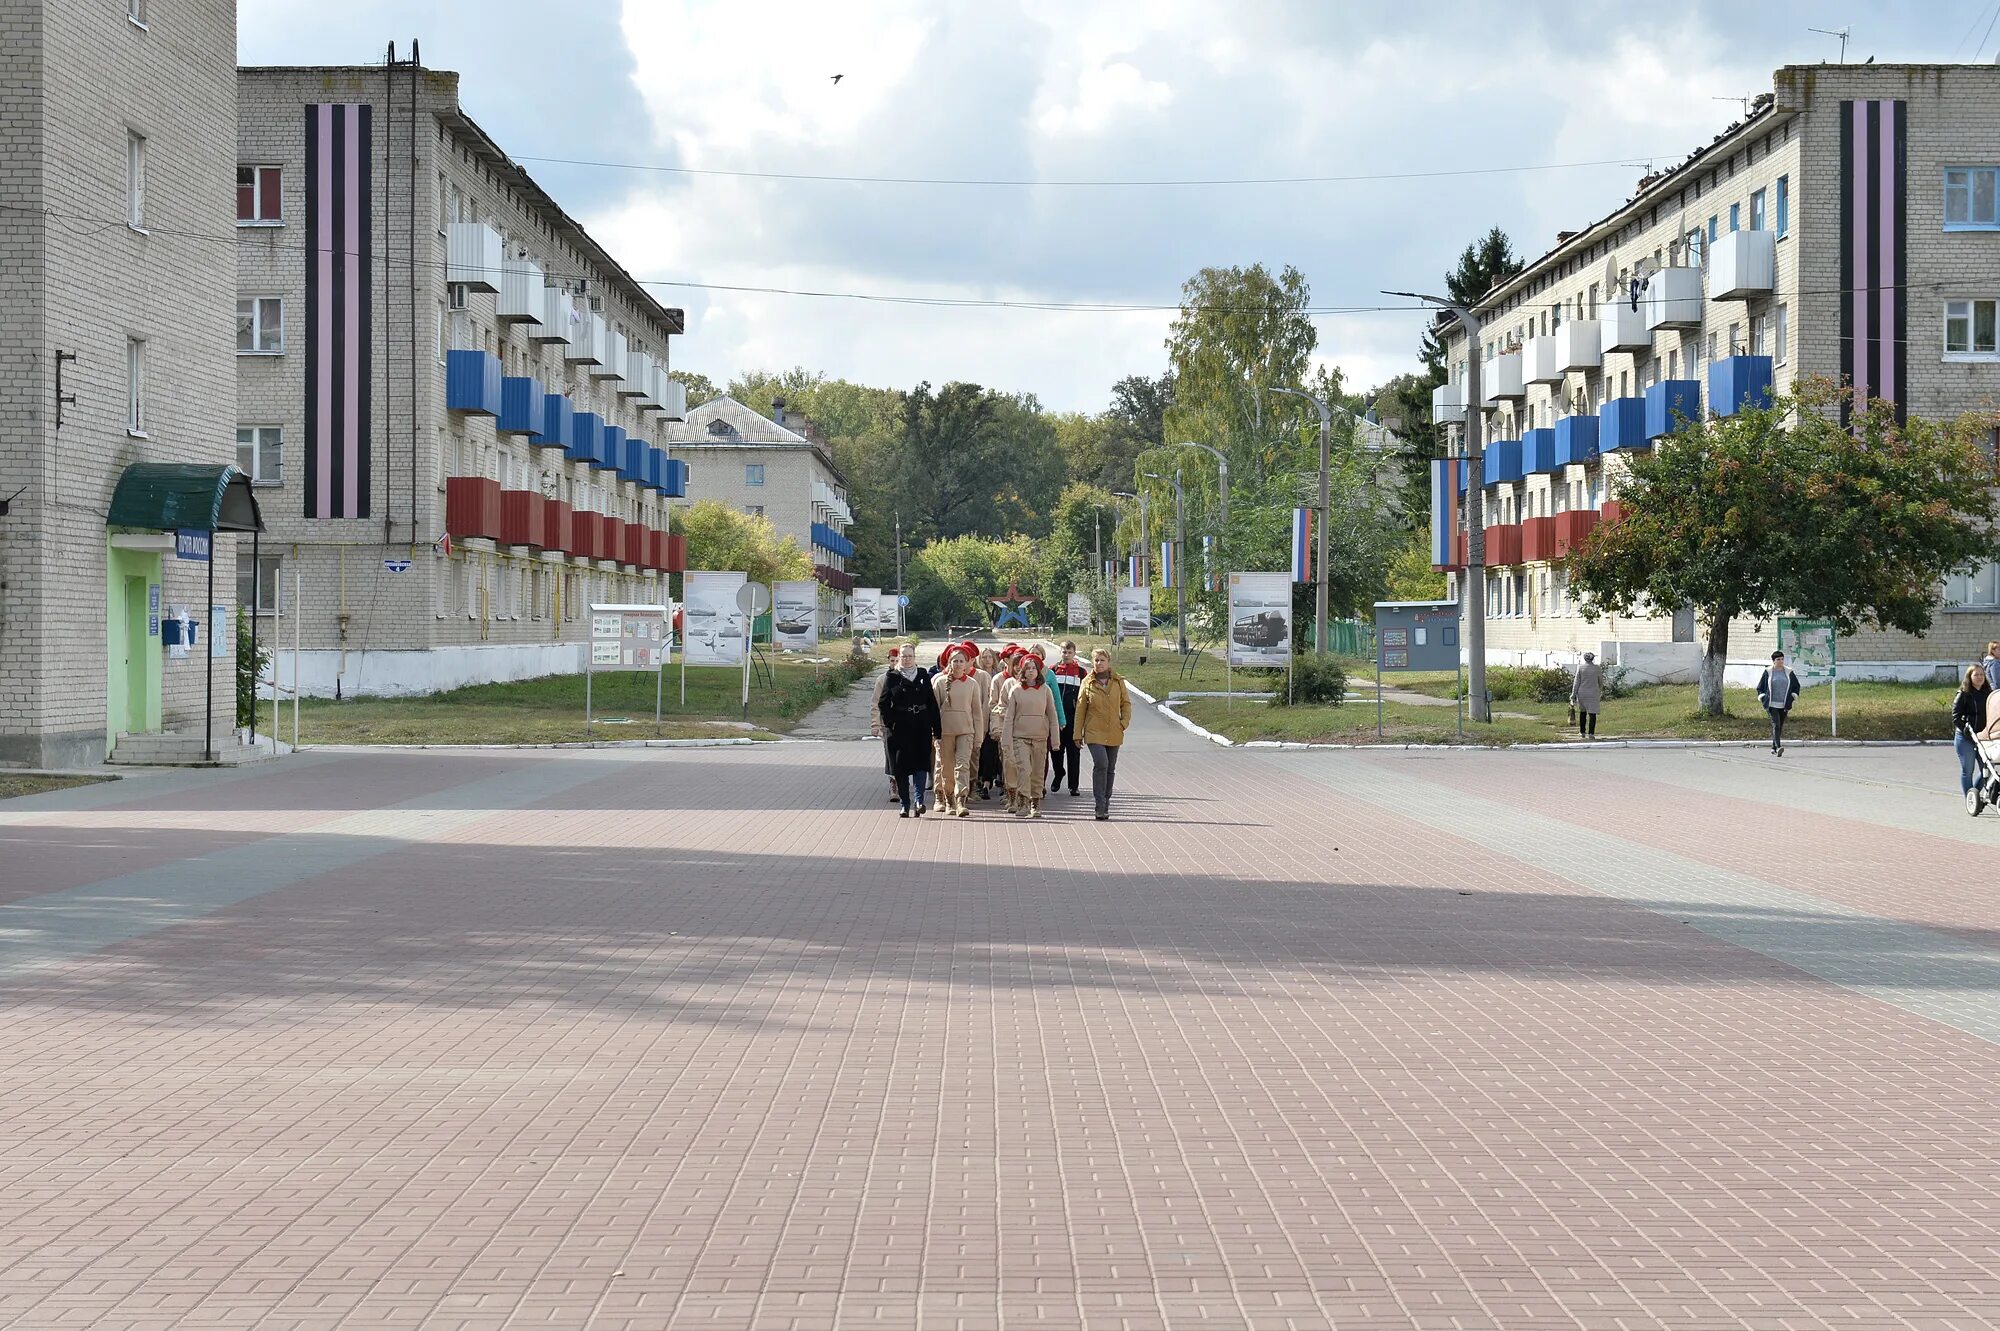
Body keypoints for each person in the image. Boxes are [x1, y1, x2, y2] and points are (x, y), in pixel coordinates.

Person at [879, 649, 941, 817]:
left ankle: (919, 800)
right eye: (904, 656)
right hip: (899, 727)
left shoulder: (922, 675)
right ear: (899, 658)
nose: (907, 659)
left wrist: (937, 729)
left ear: (914, 658)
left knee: (921, 763)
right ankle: (905, 804)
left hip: (921, 725)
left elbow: (932, 703)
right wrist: (889, 723)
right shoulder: (892, 677)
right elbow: (883, 703)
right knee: (901, 767)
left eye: (910, 656)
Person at [1074, 647, 1132, 821]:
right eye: (1096, 660)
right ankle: (1099, 804)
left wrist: (1123, 723)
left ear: (1108, 662)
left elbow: (1126, 704)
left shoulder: (1118, 681)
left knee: (1110, 768)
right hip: (1094, 732)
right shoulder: (1087, 682)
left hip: (1114, 731)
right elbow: (1080, 709)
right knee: (1101, 763)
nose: (1099, 664)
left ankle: (1106, 801)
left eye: (1102, 660)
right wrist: (1077, 734)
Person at [1002, 652, 1060, 817]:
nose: (1030, 671)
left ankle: (1036, 804)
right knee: (1024, 769)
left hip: (1040, 737)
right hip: (1020, 737)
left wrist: (1055, 741)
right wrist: (1006, 741)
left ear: (1038, 671)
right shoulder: (1016, 690)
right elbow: (1009, 718)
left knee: (1037, 771)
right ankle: (1023, 803)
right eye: (1027, 668)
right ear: (1022, 671)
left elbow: (1052, 715)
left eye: (1033, 668)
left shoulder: (1045, 690)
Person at [931, 645, 985, 817]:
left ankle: (961, 799)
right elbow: (934, 711)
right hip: (945, 732)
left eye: (962, 661)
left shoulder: (972, 684)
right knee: (947, 768)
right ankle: (948, 799)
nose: (958, 664)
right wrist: (934, 734)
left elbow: (977, 712)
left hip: (966, 731)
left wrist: (978, 736)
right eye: (955, 661)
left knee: (962, 766)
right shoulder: (939, 682)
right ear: (949, 662)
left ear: (967, 663)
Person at [1953, 663, 1997, 805]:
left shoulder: (1988, 694)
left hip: (1983, 737)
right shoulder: (1963, 694)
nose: (1979, 677)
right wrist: (1964, 728)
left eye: (1981, 675)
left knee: (1988, 767)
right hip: (1965, 736)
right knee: (1968, 769)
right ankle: (1970, 800)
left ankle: (1975, 794)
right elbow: (1956, 716)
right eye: (1976, 675)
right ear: (1969, 677)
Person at [1048, 640, 1086, 796]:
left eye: (1070, 652)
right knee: (1056, 750)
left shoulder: (1081, 673)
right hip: (1055, 718)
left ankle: (1073, 786)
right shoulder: (1053, 670)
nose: (1067, 655)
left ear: (1074, 653)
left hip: (1073, 718)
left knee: (1073, 752)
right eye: (1064, 652)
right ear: (1060, 653)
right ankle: (1059, 774)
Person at [870, 646, 903, 802]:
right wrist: (875, 724)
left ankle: (903, 781)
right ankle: (893, 783)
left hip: (905, 723)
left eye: (898, 660)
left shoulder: (907, 677)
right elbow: (876, 703)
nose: (895, 663)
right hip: (888, 725)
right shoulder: (882, 680)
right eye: (892, 661)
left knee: (903, 755)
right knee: (890, 755)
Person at [1756, 649, 1800, 756]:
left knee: (1780, 725)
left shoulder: (1789, 672)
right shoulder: (1768, 672)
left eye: (1782, 659)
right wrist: (1762, 697)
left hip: (1784, 703)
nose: (1780, 661)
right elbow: (1760, 687)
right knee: (1776, 724)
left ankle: (1773, 747)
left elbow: (1796, 686)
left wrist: (1793, 697)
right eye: (1778, 659)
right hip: (1771, 703)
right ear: (1773, 661)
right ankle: (1779, 747)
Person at [975, 646, 1003, 800]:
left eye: (989, 657)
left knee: (991, 752)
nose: (987, 660)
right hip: (980, 718)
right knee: (980, 752)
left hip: (995, 718)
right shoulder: (977, 675)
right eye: (984, 657)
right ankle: (980, 780)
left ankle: (987, 782)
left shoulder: (998, 676)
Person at [1570, 651, 1603, 738]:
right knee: (1592, 714)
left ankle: (1582, 732)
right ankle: (1591, 733)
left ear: (1584, 659)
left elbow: (1576, 682)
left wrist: (1573, 695)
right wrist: (1599, 690)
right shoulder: (1597, 668)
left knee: (1583, 713)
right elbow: (1600, 682)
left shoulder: (1580, 668)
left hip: (1582, 693)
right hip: (1593, 693)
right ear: (1593, 658)